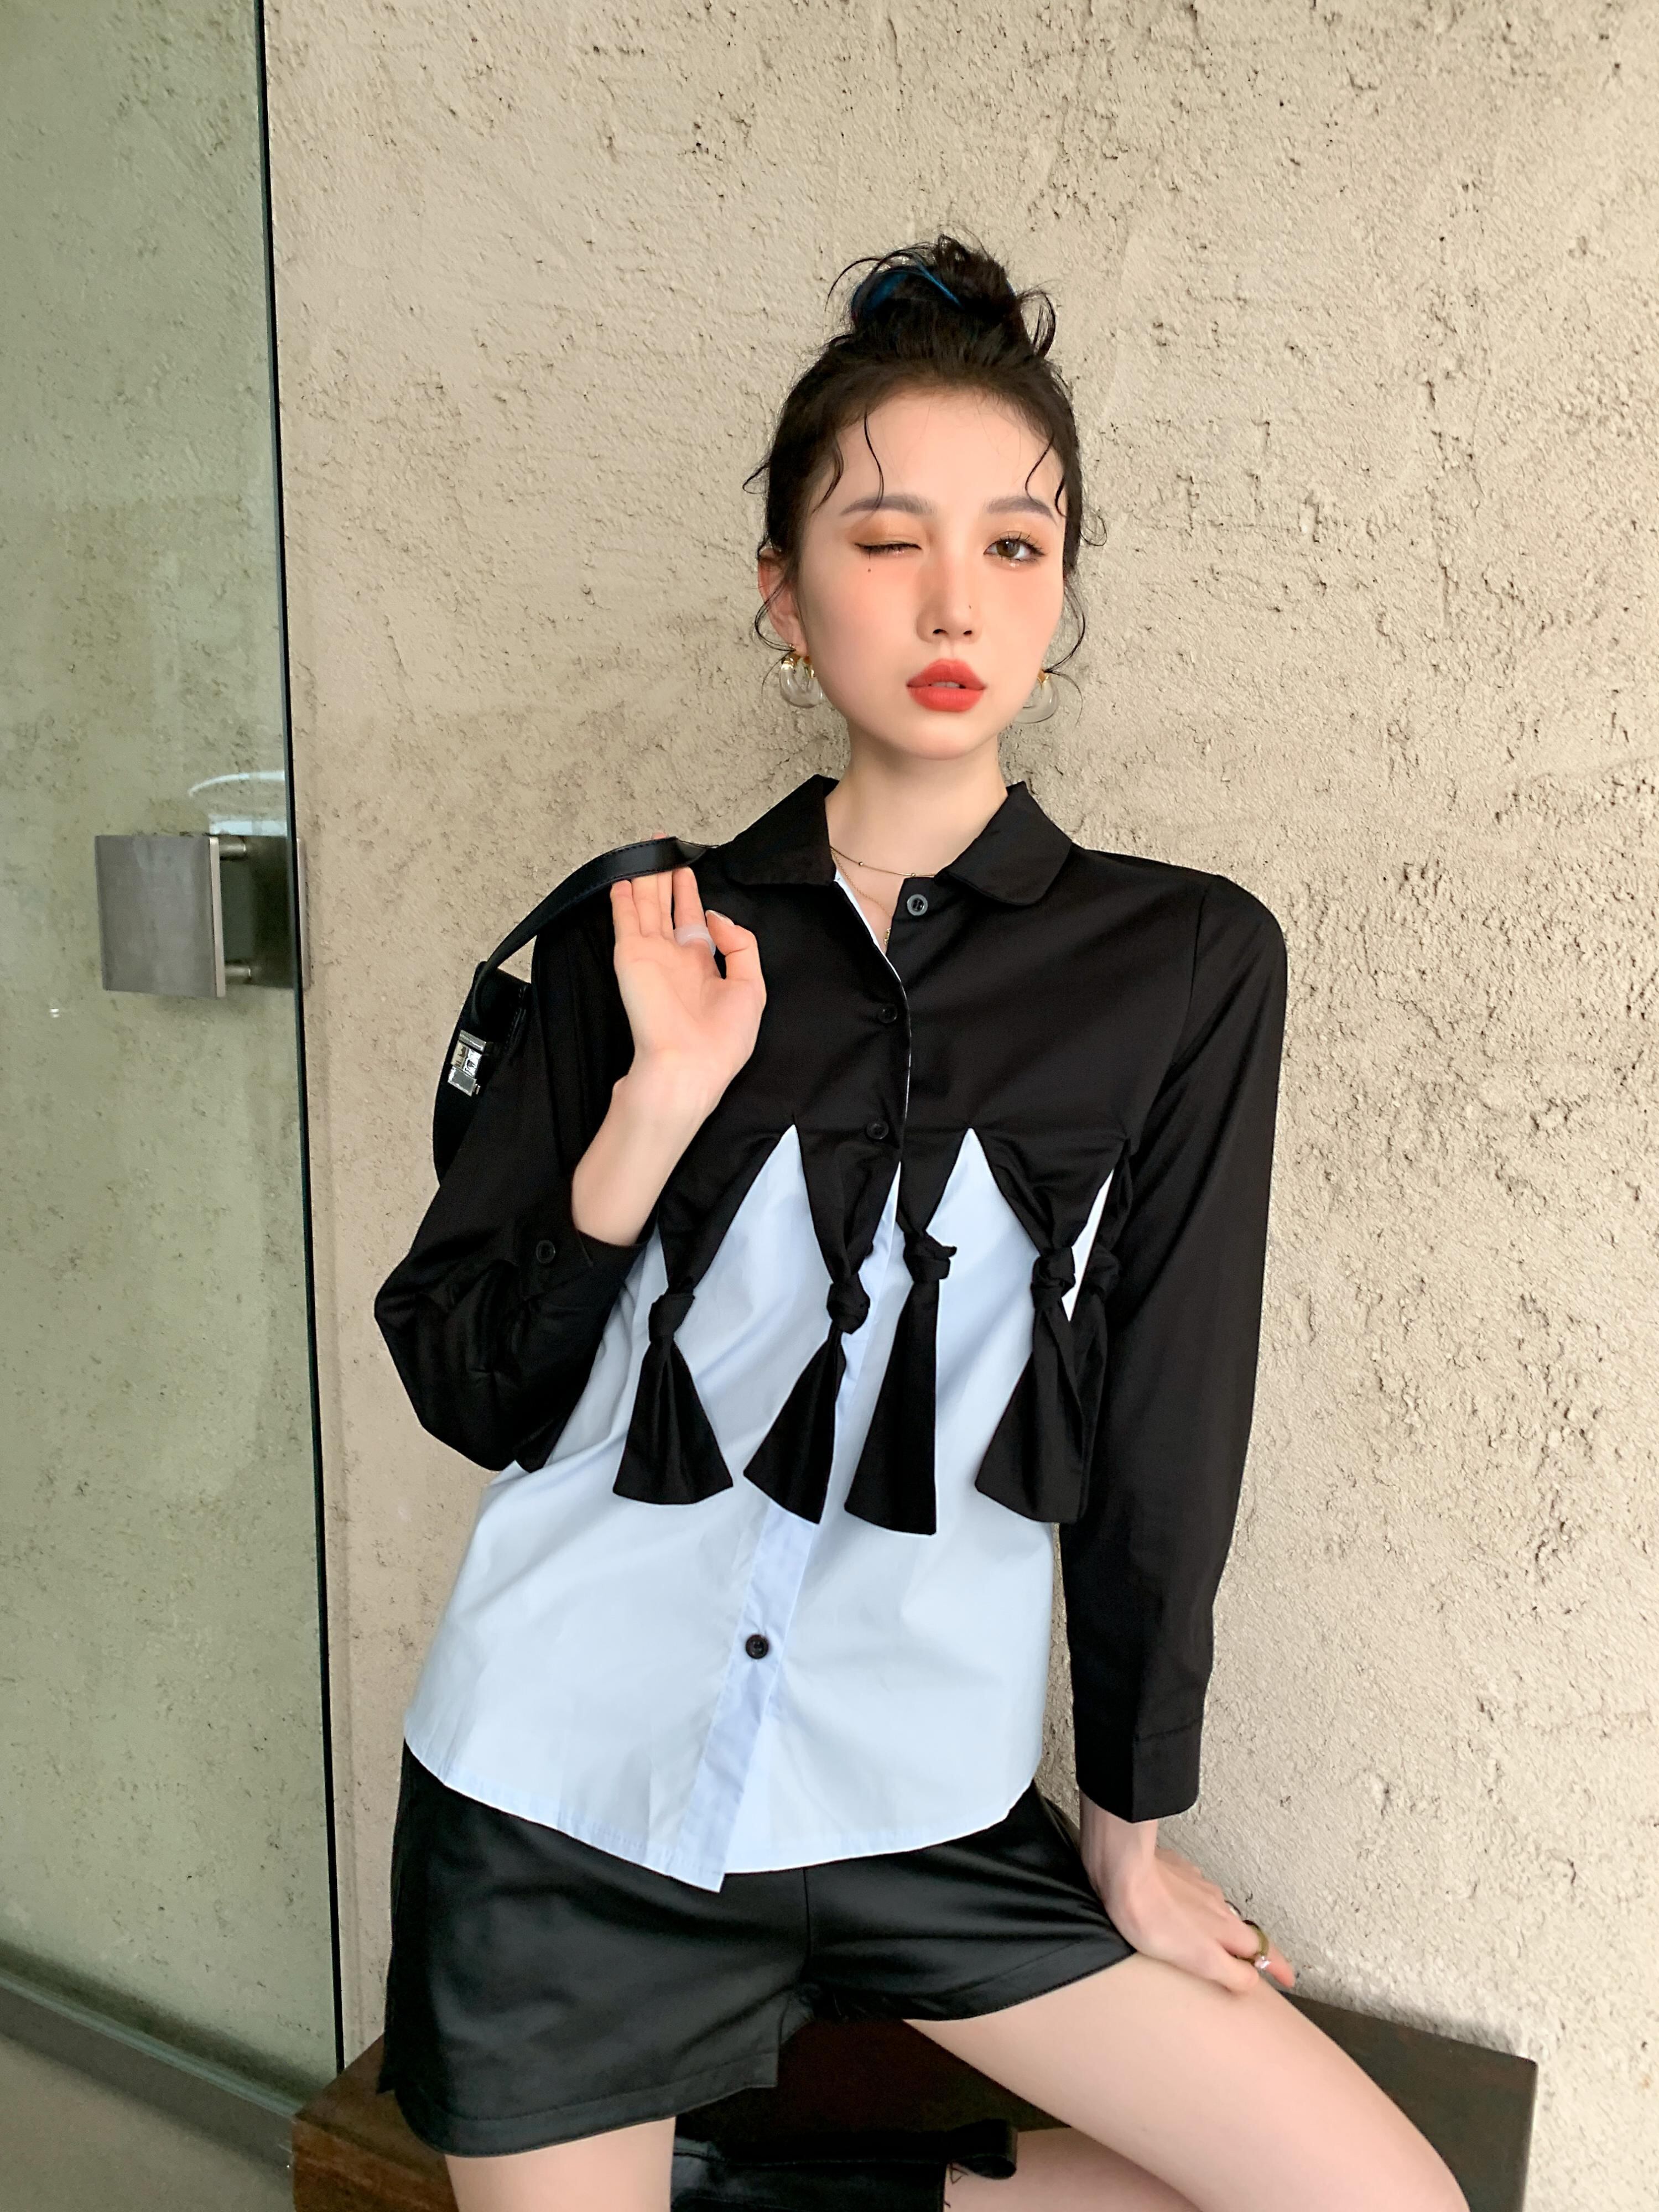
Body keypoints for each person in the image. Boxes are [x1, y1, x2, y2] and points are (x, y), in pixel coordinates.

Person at [372, 237, 1466, 2212]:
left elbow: (1169, 1422)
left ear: (1061, 592)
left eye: (1016, 547)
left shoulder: (1186, 962)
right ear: (785, 598)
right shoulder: (645, 934)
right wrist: (656, 1104)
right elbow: (475, 1385)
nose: (956, 600)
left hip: (924, 1804)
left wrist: (1128, 1826)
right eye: (886, 542)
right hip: (559, 1803)